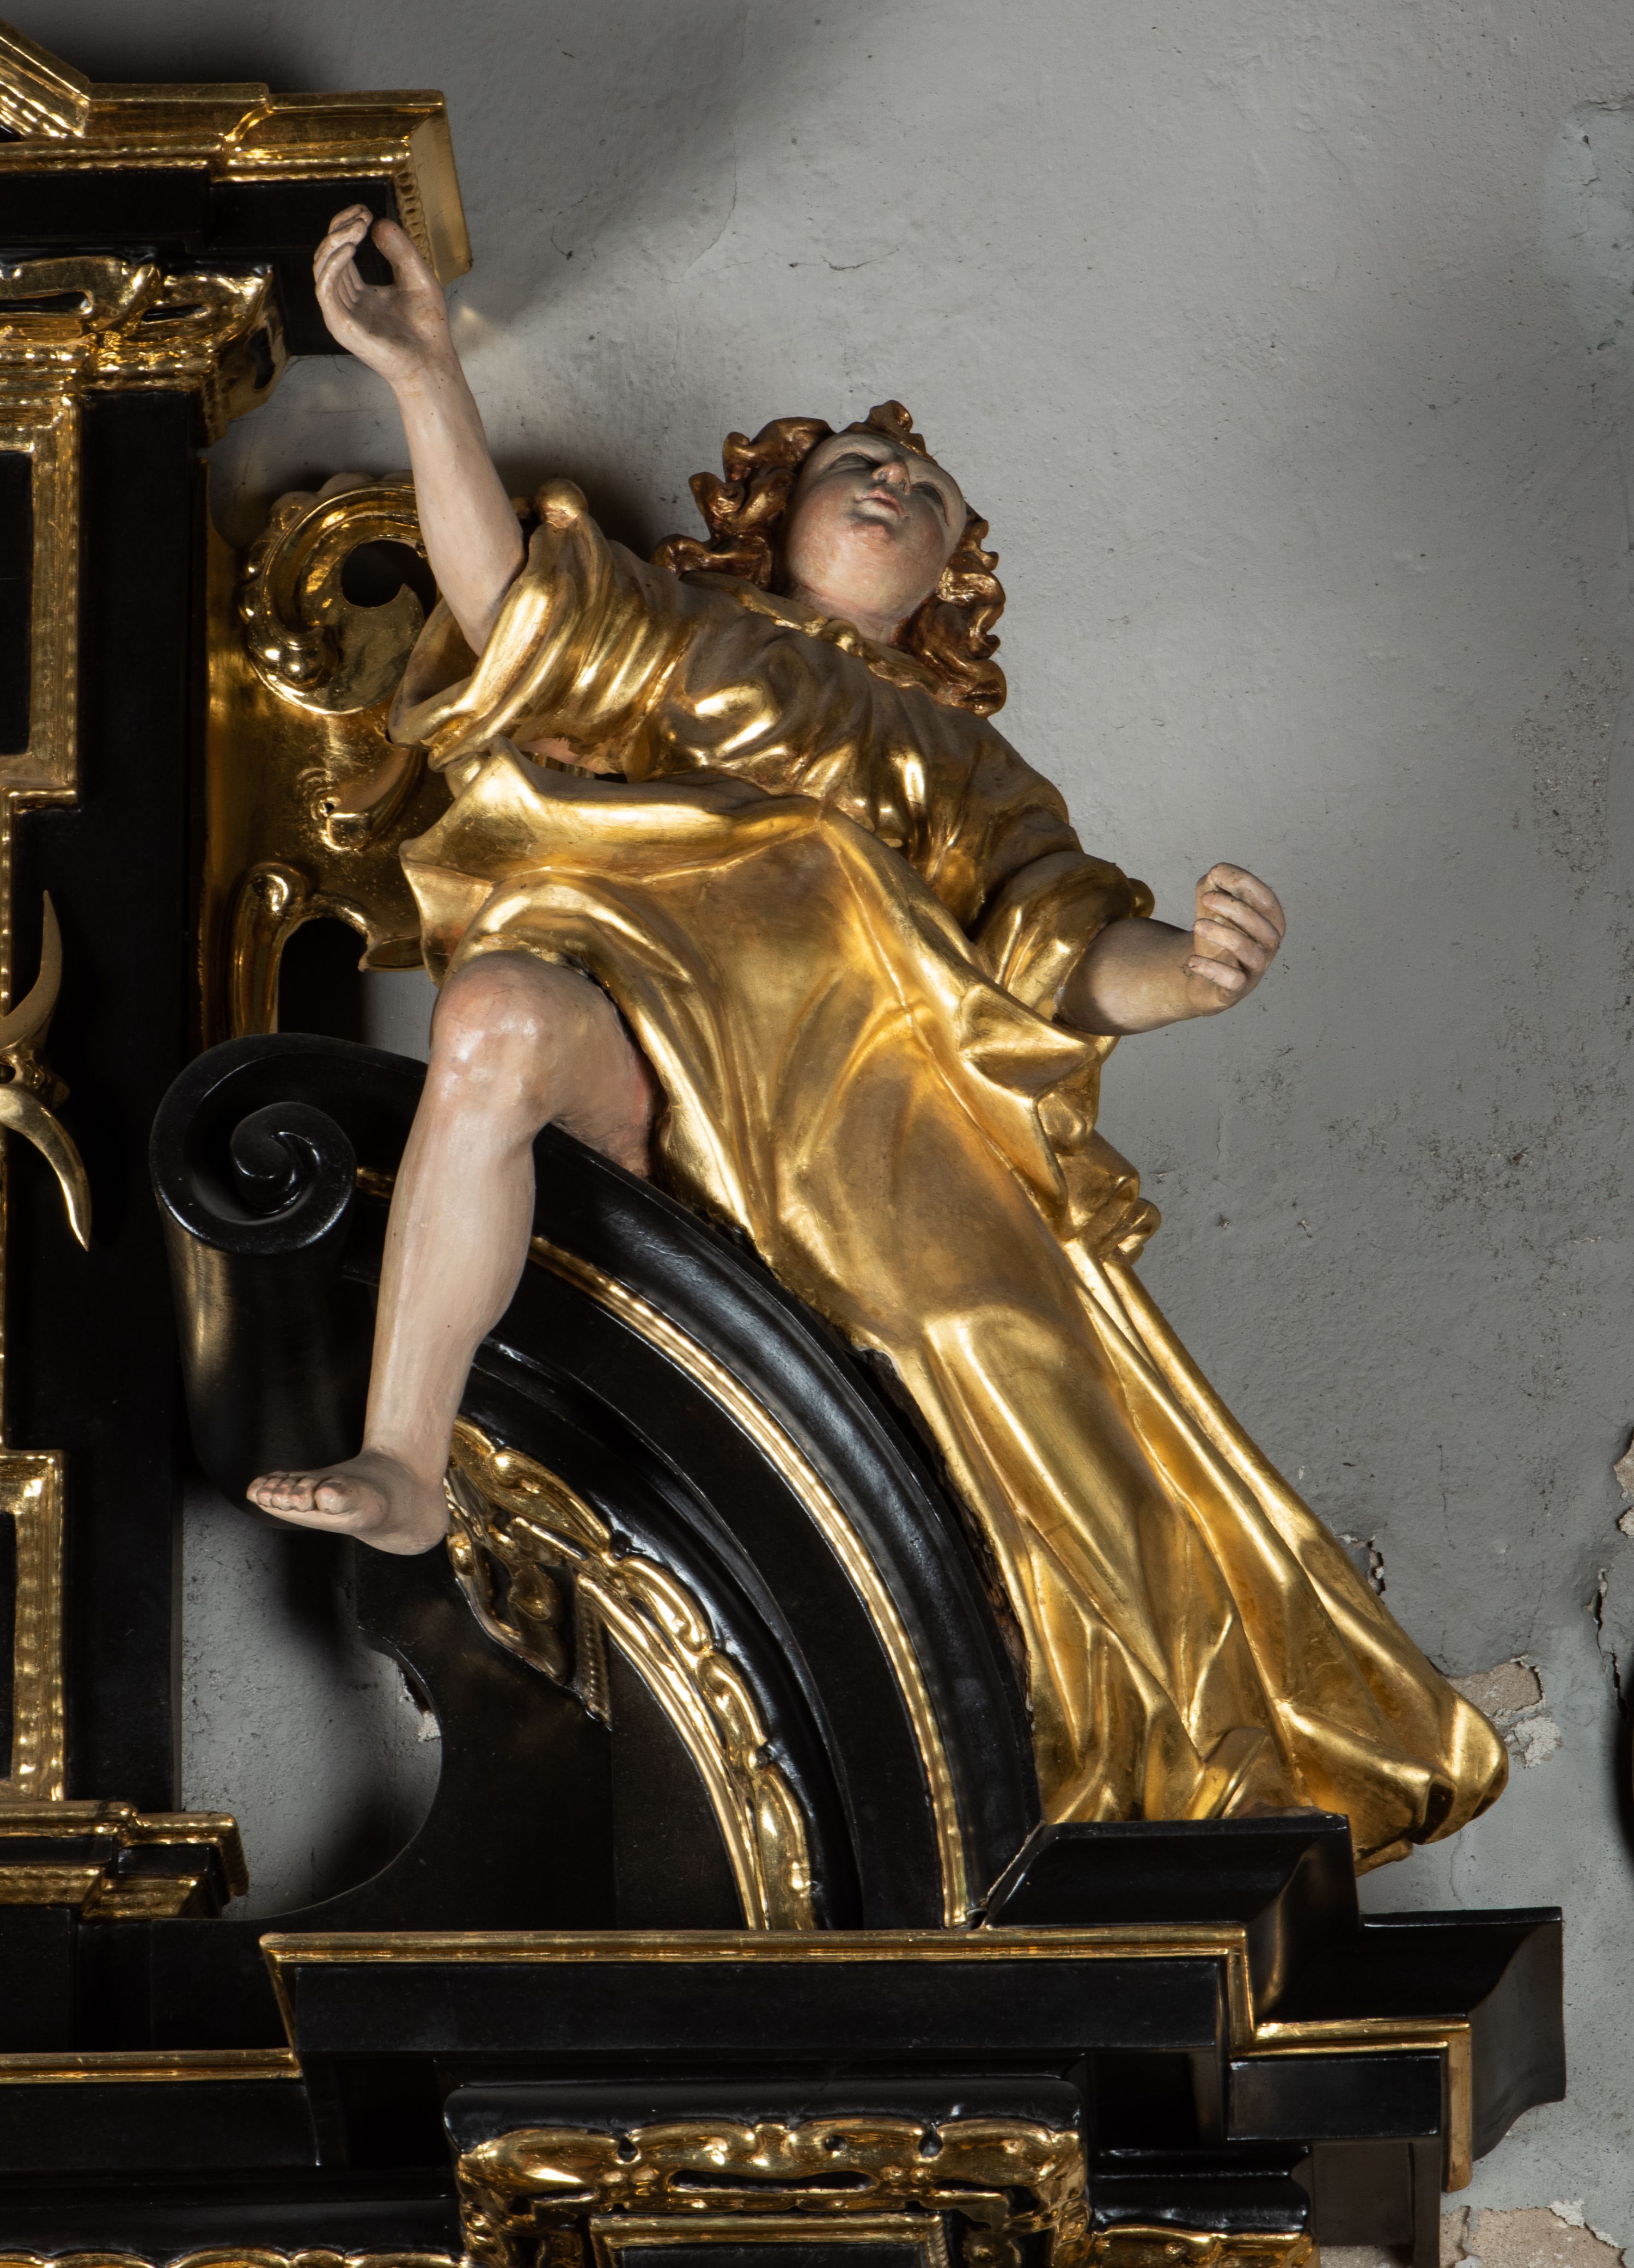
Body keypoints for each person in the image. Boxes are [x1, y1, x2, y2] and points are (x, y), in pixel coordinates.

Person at [248, 206, 1505, 1861]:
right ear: (776, 513)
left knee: (1009, 1358)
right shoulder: (684, 636)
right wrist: (424, 377)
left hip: (869, 1100)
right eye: (858, 462)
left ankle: (1126, 1743)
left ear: (954, 576)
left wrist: (1191, 976)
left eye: (930, 490)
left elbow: (1055, 946)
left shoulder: (972, 767)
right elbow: (510, 606)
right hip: (651, 1028)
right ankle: (406, 1452)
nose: (895, 479)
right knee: (486, 1018)